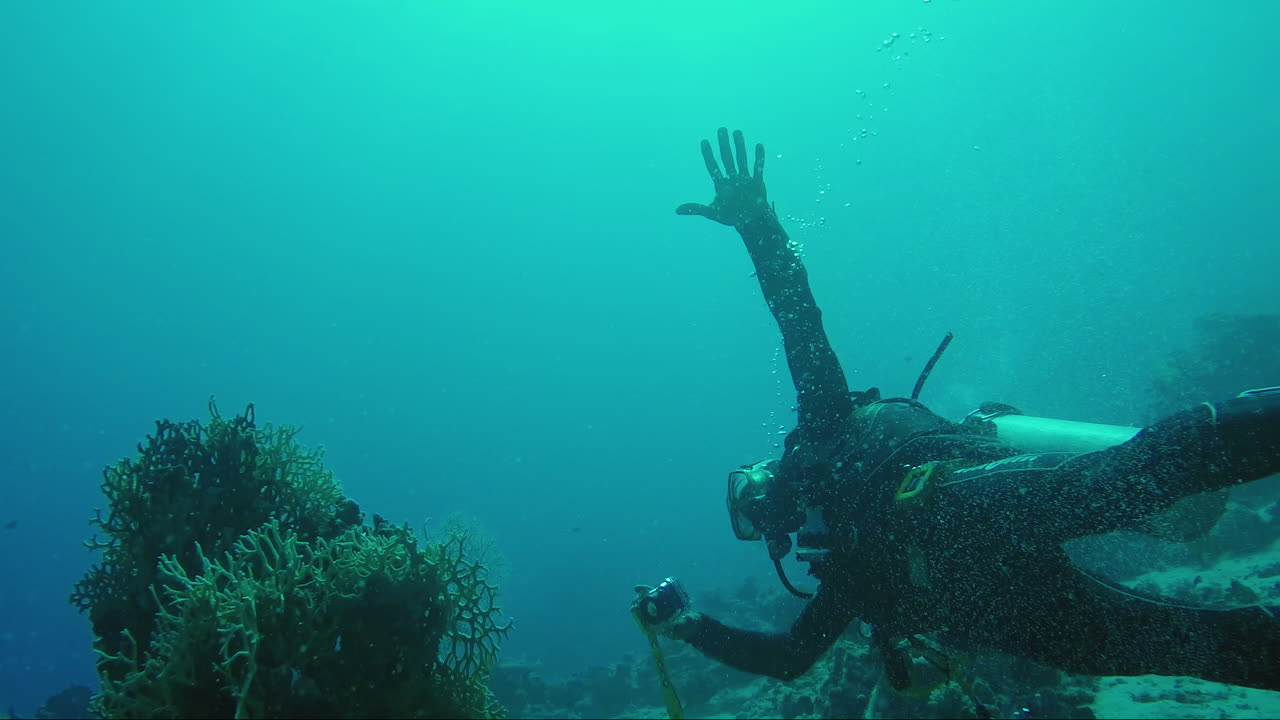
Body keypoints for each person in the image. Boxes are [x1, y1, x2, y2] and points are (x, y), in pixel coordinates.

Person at [632, 127, 1280, 694]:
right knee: (1165, 643)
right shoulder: (847, 570)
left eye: (747, 487)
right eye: (749, 515)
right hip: (995, 606)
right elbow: (790, 659)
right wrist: (688, 624)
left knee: (1129, 478)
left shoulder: (826, 435)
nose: (756, 501)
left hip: (958, 501)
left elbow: (800, 325)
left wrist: (758, 226)